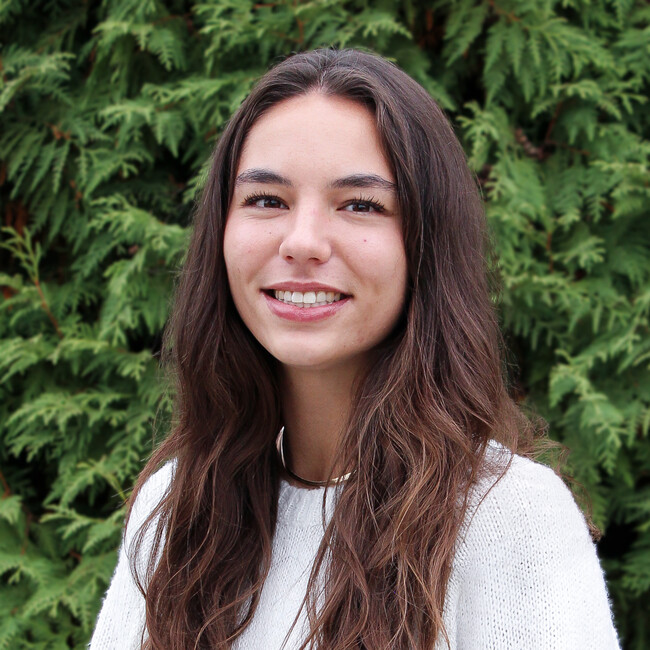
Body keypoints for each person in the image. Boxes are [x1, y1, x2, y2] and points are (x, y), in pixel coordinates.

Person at [90, 48, 620, 649]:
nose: (304, 241)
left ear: (425, 244)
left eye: (361, 205)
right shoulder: (178, 507)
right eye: (267, 199)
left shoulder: (506, 518)